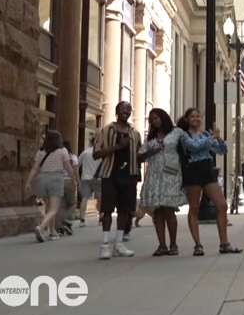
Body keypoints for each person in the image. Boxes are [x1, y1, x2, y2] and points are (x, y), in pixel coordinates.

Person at [177, 107, 242, 255]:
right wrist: (211, 138)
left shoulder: (205, 134)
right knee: (194, 207)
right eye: (193, 117)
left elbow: (222, 150)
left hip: (207, 170)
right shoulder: (184, 135)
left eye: (198, 116)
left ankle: (224, 243)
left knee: (222, 205)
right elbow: (193, 147)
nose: (196, 119)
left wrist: (218, 138)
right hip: (193, 170)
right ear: (187, 119)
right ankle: (198, 245)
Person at [93, 101, 150, 260]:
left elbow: (138, 156)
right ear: (117, 112)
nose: (126, 111)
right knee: (107, 210)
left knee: (125, 211)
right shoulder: (106, 131)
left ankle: (119, 243)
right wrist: (117, 147)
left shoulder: (135, 133)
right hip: (110, 174)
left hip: (129, 175)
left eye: (128, 109)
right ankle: (105, 244)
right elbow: (96, 154)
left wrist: (148, 154)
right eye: (123, 109)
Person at [138, 108, 187, 256]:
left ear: (163, 117)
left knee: (169, 210)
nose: (154, 121)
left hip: (171, 175)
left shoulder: (177, 133)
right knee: (157, 211)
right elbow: (139, 157)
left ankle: (173, 244)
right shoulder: (150, 138)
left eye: (156, 118)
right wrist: (149, 152)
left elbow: (186, 149)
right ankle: (162, 245)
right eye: (151, 119)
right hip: (154, 175)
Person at [25, 130, 78, 242]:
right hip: (56, 179)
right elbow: (68, 167)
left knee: (48, 207)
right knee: (54, 209)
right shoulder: (62, 151)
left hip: (42, 179)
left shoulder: (41, 152)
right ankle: (41, 227)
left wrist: (29, 182)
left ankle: (52, 232)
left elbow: (35, 168)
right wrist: (73, 180)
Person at [78, 137, 101, 227]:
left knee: (84, 198)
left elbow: (77, 165)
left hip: (85, 178)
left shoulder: (85, 153)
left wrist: (78, 178)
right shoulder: (100, 153)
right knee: (100, 198)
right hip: (98, 178)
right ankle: (101, 218)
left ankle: (82, 219)